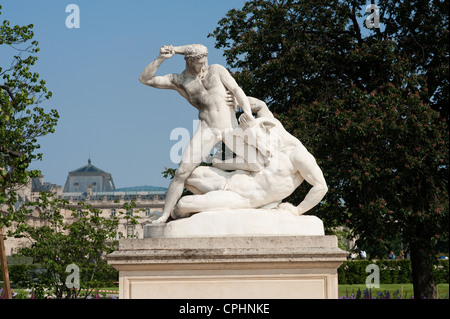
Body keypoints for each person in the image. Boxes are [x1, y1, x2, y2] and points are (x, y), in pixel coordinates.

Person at [139, 44, 256, 223]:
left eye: (205, 60)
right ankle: (165, 214)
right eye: (200, 62)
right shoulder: (179, 80)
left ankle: (261, 200)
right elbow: (145, 79)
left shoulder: (217, 70)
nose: (204, 64)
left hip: (230, 128)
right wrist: (161, 58)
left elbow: (237, 90)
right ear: (189, 60)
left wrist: (247, 112)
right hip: (207, 128)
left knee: (257, 163)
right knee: (182, 172)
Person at [172, 99, 328, 218]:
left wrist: (298, 210)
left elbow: (321, 186)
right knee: (188, 174)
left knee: (184, 203)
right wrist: (238, 100)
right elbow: (260, 106)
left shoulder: (298, 156)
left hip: (244, 198)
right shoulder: (272, 129)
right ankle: (182, 213)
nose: (258, 148)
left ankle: (185, 212)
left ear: (266, 129)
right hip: (232, 179)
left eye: (257, 141)